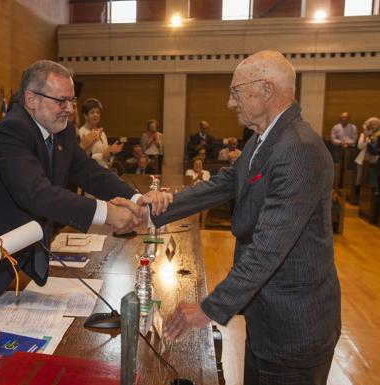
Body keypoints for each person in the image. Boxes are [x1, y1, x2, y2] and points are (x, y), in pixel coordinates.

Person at [151, 51, 340, 384]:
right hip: (267, 316)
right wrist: (156, 208)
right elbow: (226, 181)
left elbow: (270, 246)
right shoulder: (265, 138)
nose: (229, 102)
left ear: (265, 89)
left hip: (294, 327)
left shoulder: (299, 148)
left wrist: (209, 308)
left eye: (235, 91)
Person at [0, 60, 171, 311]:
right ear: (32, 99)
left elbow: (88, 172)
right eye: (61, 101)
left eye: (72, 101)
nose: (69, 109)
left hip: (10, 259)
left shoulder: (62, 131)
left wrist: (135, 198)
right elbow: (38, 195)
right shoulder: (11, 130)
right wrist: (108, 213)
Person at [78, 98, 123, 168]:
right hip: (90, 172)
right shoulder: (81, 133)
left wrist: (111, 152)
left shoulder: (102, 133)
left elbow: (106, 158)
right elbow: (81, 158)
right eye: (92, 112)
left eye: (98, 112)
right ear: (85, 115)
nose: (96, 115)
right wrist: (102, 155)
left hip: (104, 170)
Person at [354, 117, 380, 198]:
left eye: (375, 124)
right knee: (360, 177)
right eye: (372, 124)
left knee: (373, 177)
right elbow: (359, 146)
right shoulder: (364, 134)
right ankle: (358, 196)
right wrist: (368, 140)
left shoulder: (379, 135)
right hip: (363, 158)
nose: (373, 125)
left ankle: (371, 197)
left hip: (375, 159)